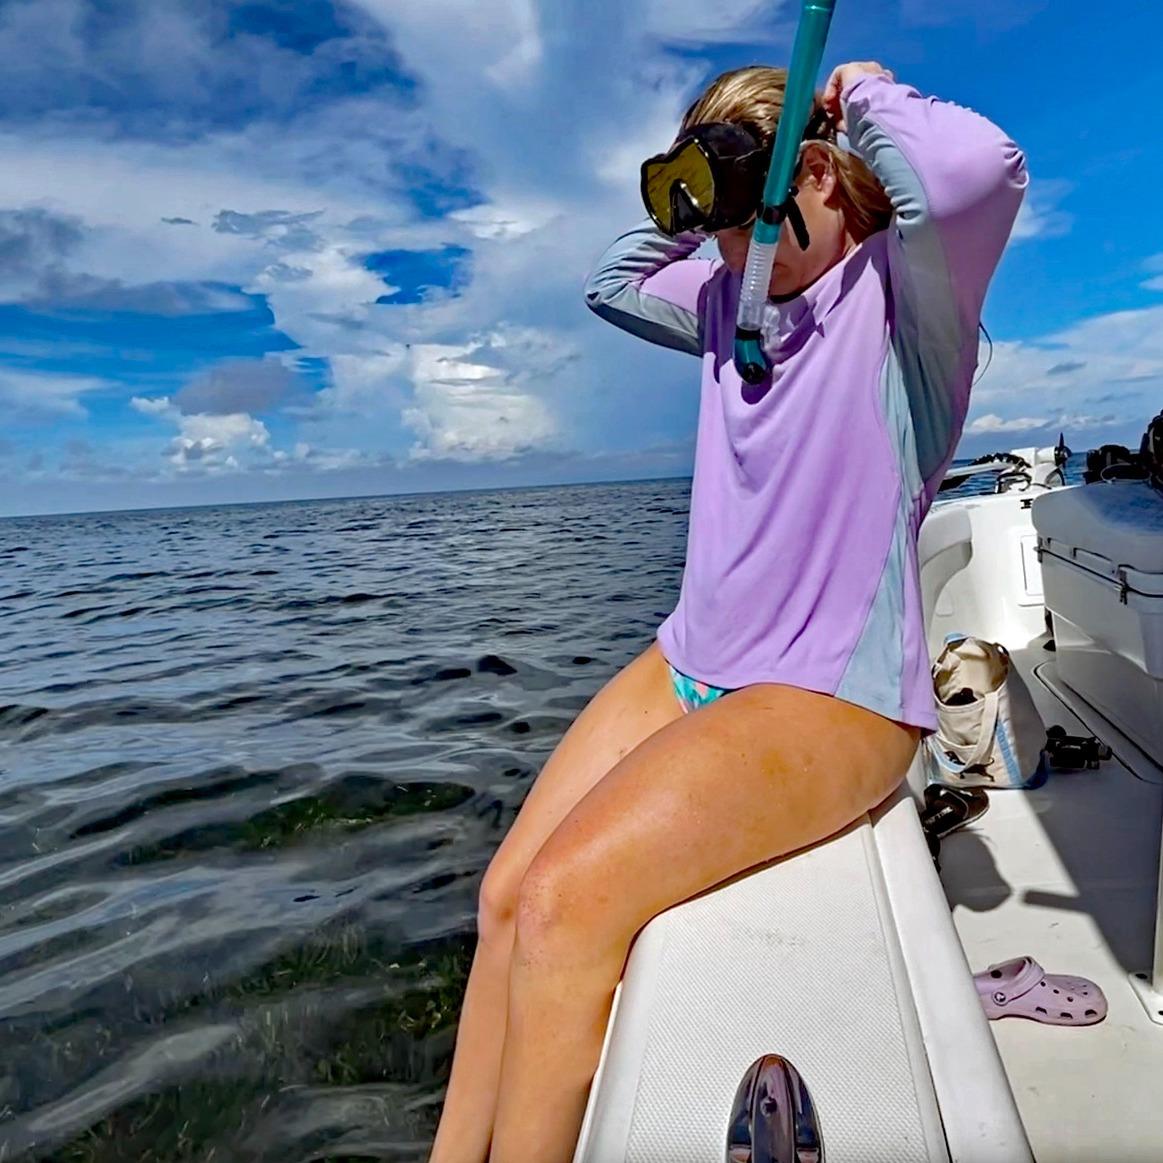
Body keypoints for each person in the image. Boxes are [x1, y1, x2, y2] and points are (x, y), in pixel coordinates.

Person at [428, 59, 1027, 1163]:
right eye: (706, 227)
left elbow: (976, 171)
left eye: (739, 213)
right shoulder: (717, 304)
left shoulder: (906, 301)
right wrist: (700, 196)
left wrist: (858, 99)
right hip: (690, 660)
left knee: (565, 903)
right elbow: (608, 283)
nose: (723, 250)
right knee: (505, 895)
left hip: (828, 692)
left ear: (817, 177)